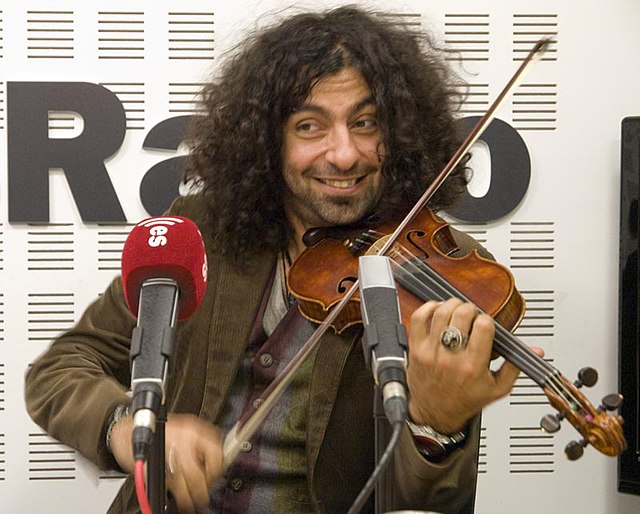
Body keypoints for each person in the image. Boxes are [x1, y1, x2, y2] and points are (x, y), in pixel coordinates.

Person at [25, 6, 533, 514]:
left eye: (366, 123)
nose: (344, 154)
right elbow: (62, 368)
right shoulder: (200, 231)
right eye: (310, 126)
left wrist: (436, 426)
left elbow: (433, 506)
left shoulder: (450, 275)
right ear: (269, 139)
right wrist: (126, 427)